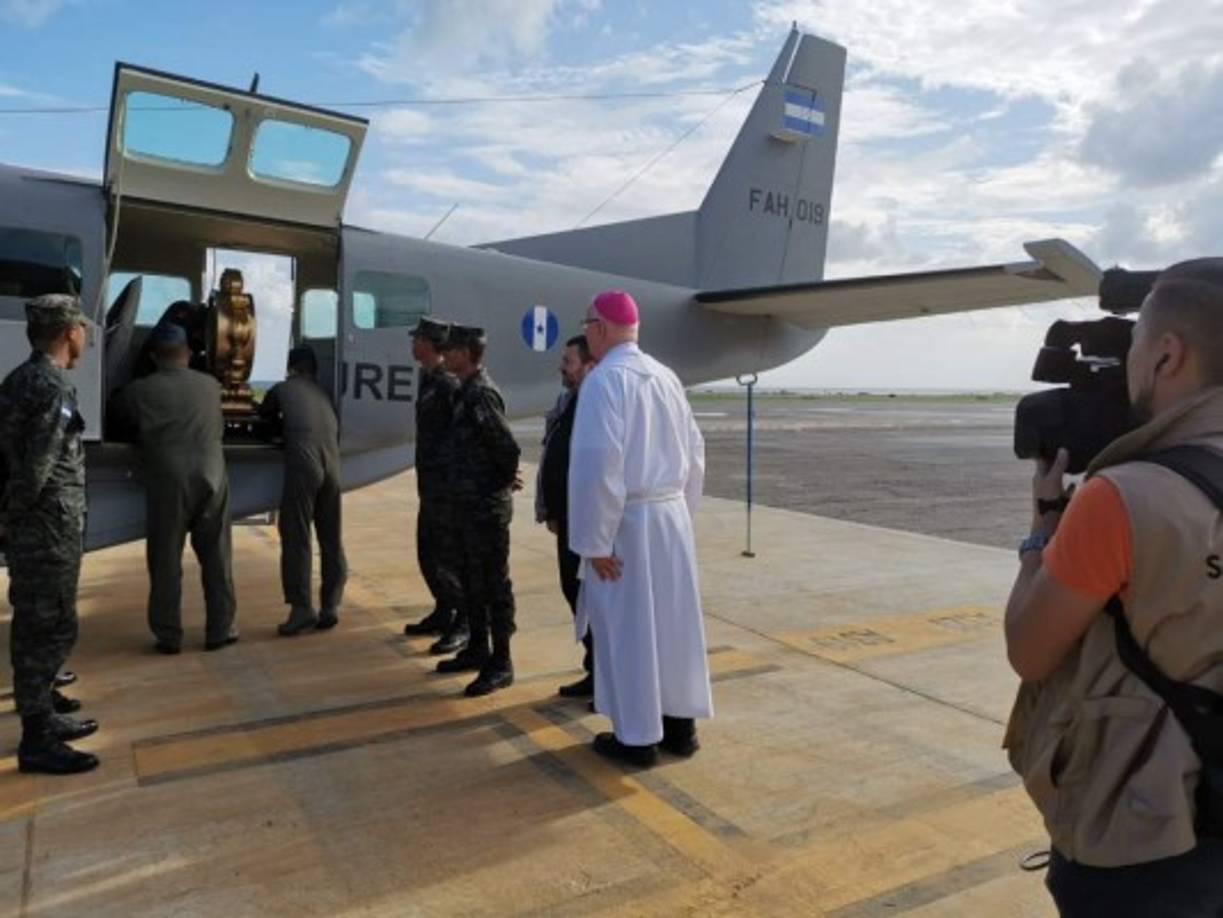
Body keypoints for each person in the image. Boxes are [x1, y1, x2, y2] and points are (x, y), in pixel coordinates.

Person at [1004, 258, 1223, 916]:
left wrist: (1042, 528)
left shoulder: (1124, 496)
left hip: (1141, 839)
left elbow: (1029, 650)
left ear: (1165, 354)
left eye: (1130, 347)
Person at [568, 290, 712, 767]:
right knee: (672, 628)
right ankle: (679, 726)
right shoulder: (666, 377)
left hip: (628, 522)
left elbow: (598, 466)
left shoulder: (604, 381)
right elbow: (695, 453)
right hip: (669, 516)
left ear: (602, 328)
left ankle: (636, 737)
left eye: (588, 323)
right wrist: (680, 516)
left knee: (630, 631)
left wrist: (594, 541)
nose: (586, 331)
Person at [0, 294, 99, 774]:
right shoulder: (53, 387)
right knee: (50, 625)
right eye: (81, 327)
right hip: (45, 528)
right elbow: (37, 470)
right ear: (69, 333)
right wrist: (21, 522)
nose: (85, 335)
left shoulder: (20, 379)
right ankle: (37, 739)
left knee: (35, 624)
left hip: (34, 527)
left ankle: (41, 709)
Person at [112, 323, 238, 653]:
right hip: (212, 473)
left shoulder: (139, 391)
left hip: (169, 479)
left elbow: (119, 419)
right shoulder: (210, 385)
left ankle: (169, 635)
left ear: (154, 356)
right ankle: (220, 629)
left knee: (166, 558)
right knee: (217, 557)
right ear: (188, 353)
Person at [435, 324, 521, 696]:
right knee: (471, 582)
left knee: (493, 586)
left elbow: (507, 448)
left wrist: (495, 488)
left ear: (468, 353)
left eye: (451, 349)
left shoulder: (482, 394)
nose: (445, 354)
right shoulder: (464, 391)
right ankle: (477, 649)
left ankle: (501, 662)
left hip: (485, 510)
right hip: (467, 508)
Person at [259, 346, 347, 636]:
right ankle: (330, 605)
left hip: (305, 464)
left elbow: (264, 420)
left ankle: (301, 609)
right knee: (330, 537)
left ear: (291, 368)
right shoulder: (325, 395)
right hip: (333, 467)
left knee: (296, 535)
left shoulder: (283, 389)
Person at [536, 334, 597, 697]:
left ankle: (605, 679)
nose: (561, 367)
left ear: (589, 365)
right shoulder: (569, 402)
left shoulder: (593, 405)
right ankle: (595, 671)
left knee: (591, 601)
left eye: (568, 361)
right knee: (573, 593)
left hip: (587, 522)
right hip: (568, 520)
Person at [402, 317, 465, 651]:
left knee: (447, 556)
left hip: (446, 487)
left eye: (417, 339)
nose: (412, 344)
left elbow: (463, 432)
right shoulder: (425, 378)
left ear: (429, 344)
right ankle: (444, 610)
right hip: (429, 484)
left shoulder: (447, 384)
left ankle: (463, 620)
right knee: (427, 553)